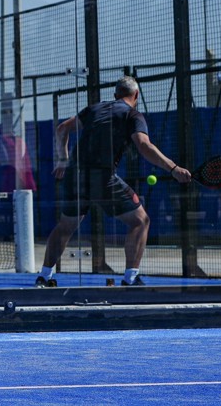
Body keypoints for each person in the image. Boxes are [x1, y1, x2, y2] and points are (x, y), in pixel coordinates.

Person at [36, 76, 192, 287]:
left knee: (66, 226)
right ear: (136, 95)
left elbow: (62, 129)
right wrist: (173, 168)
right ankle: (130, 279)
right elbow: (144, 146)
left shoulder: (93, 109)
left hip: (75, 175)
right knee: (141, 221)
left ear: (115, 95)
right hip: (101, 178)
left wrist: (63, 161)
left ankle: (44, 276)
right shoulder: (132, 115)